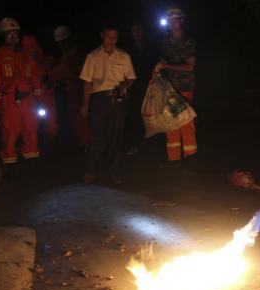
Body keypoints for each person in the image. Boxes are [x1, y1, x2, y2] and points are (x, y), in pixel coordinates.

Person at [79, 22, 136, 184]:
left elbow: (131, 77)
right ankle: (92, 170)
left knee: (116, 137)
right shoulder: (93, 56)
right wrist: (85, 104)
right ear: (102, 36)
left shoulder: (123, 56)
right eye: (109, 37)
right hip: (99, 99)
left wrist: (123, 86)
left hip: (118, 99)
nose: (112, 40)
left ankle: (114, 172)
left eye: (115, 37)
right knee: (99, 138)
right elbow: (87, 82)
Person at [0, 17, 43, 169]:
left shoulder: (25, 55)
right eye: (9, 34)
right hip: (9, 100)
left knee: (31, 128)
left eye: (15, 34)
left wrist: (39, 97)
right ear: (3, 36)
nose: (13, 37)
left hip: (28, 99)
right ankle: (9, 163)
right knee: (9, 132)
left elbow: (34, 77)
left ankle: (31, 160)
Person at [155, 7, 197, 166]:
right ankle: (173, 158)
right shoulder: (165, 42)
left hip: (185, 86)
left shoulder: (188, 41)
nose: (173, 23)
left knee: (186, 122)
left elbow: (190, 67)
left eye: (176, 20)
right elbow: (161, 64)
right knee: (171, 122)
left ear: (181, 21)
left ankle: (191, 157)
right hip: (169, 89)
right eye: (170, 20)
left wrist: (167, 66)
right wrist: (156, 74)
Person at [50, 25, 89, 149]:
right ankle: (83, 142)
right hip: (74, 88)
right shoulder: (71, 52)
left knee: (79, 117)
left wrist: (50, 75)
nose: (60, 45)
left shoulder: (72, 54)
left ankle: (86, 143)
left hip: (77, 89)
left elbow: (63, 71)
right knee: (77, 117)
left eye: (61, 42)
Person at [125, 23, 156, 155]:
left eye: (139, 30)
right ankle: (136, 144)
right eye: (134, 31)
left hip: (149, 86)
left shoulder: (151, 47)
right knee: (135, 116)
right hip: (134, 87)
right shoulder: (128, 50)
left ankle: (149, 144)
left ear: (143, 32)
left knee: (150, 116)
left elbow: (155, 65)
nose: (137, 33)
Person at [20, 35, 57, 138]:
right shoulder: (22, 65)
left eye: (34, 50)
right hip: (31, 98)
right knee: (32, 124)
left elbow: (54, 75)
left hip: (47, 96)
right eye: (30, 51)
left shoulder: (46, 62)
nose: (33, 53)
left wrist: (50, 79)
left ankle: (52, 138)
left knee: (51, 121)